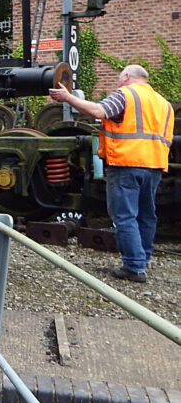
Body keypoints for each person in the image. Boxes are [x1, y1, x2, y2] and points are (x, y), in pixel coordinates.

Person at [49, 65, 174, 282]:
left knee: (125, 216)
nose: (117, 83)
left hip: (127, 163)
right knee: (146, 215)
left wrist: (68, 98)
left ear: (127, 77)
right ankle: (142, 260)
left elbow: (98, 111)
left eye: (119, 78)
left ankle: (133, 267)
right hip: (154, 166)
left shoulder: (126, 94)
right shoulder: (164, 104)